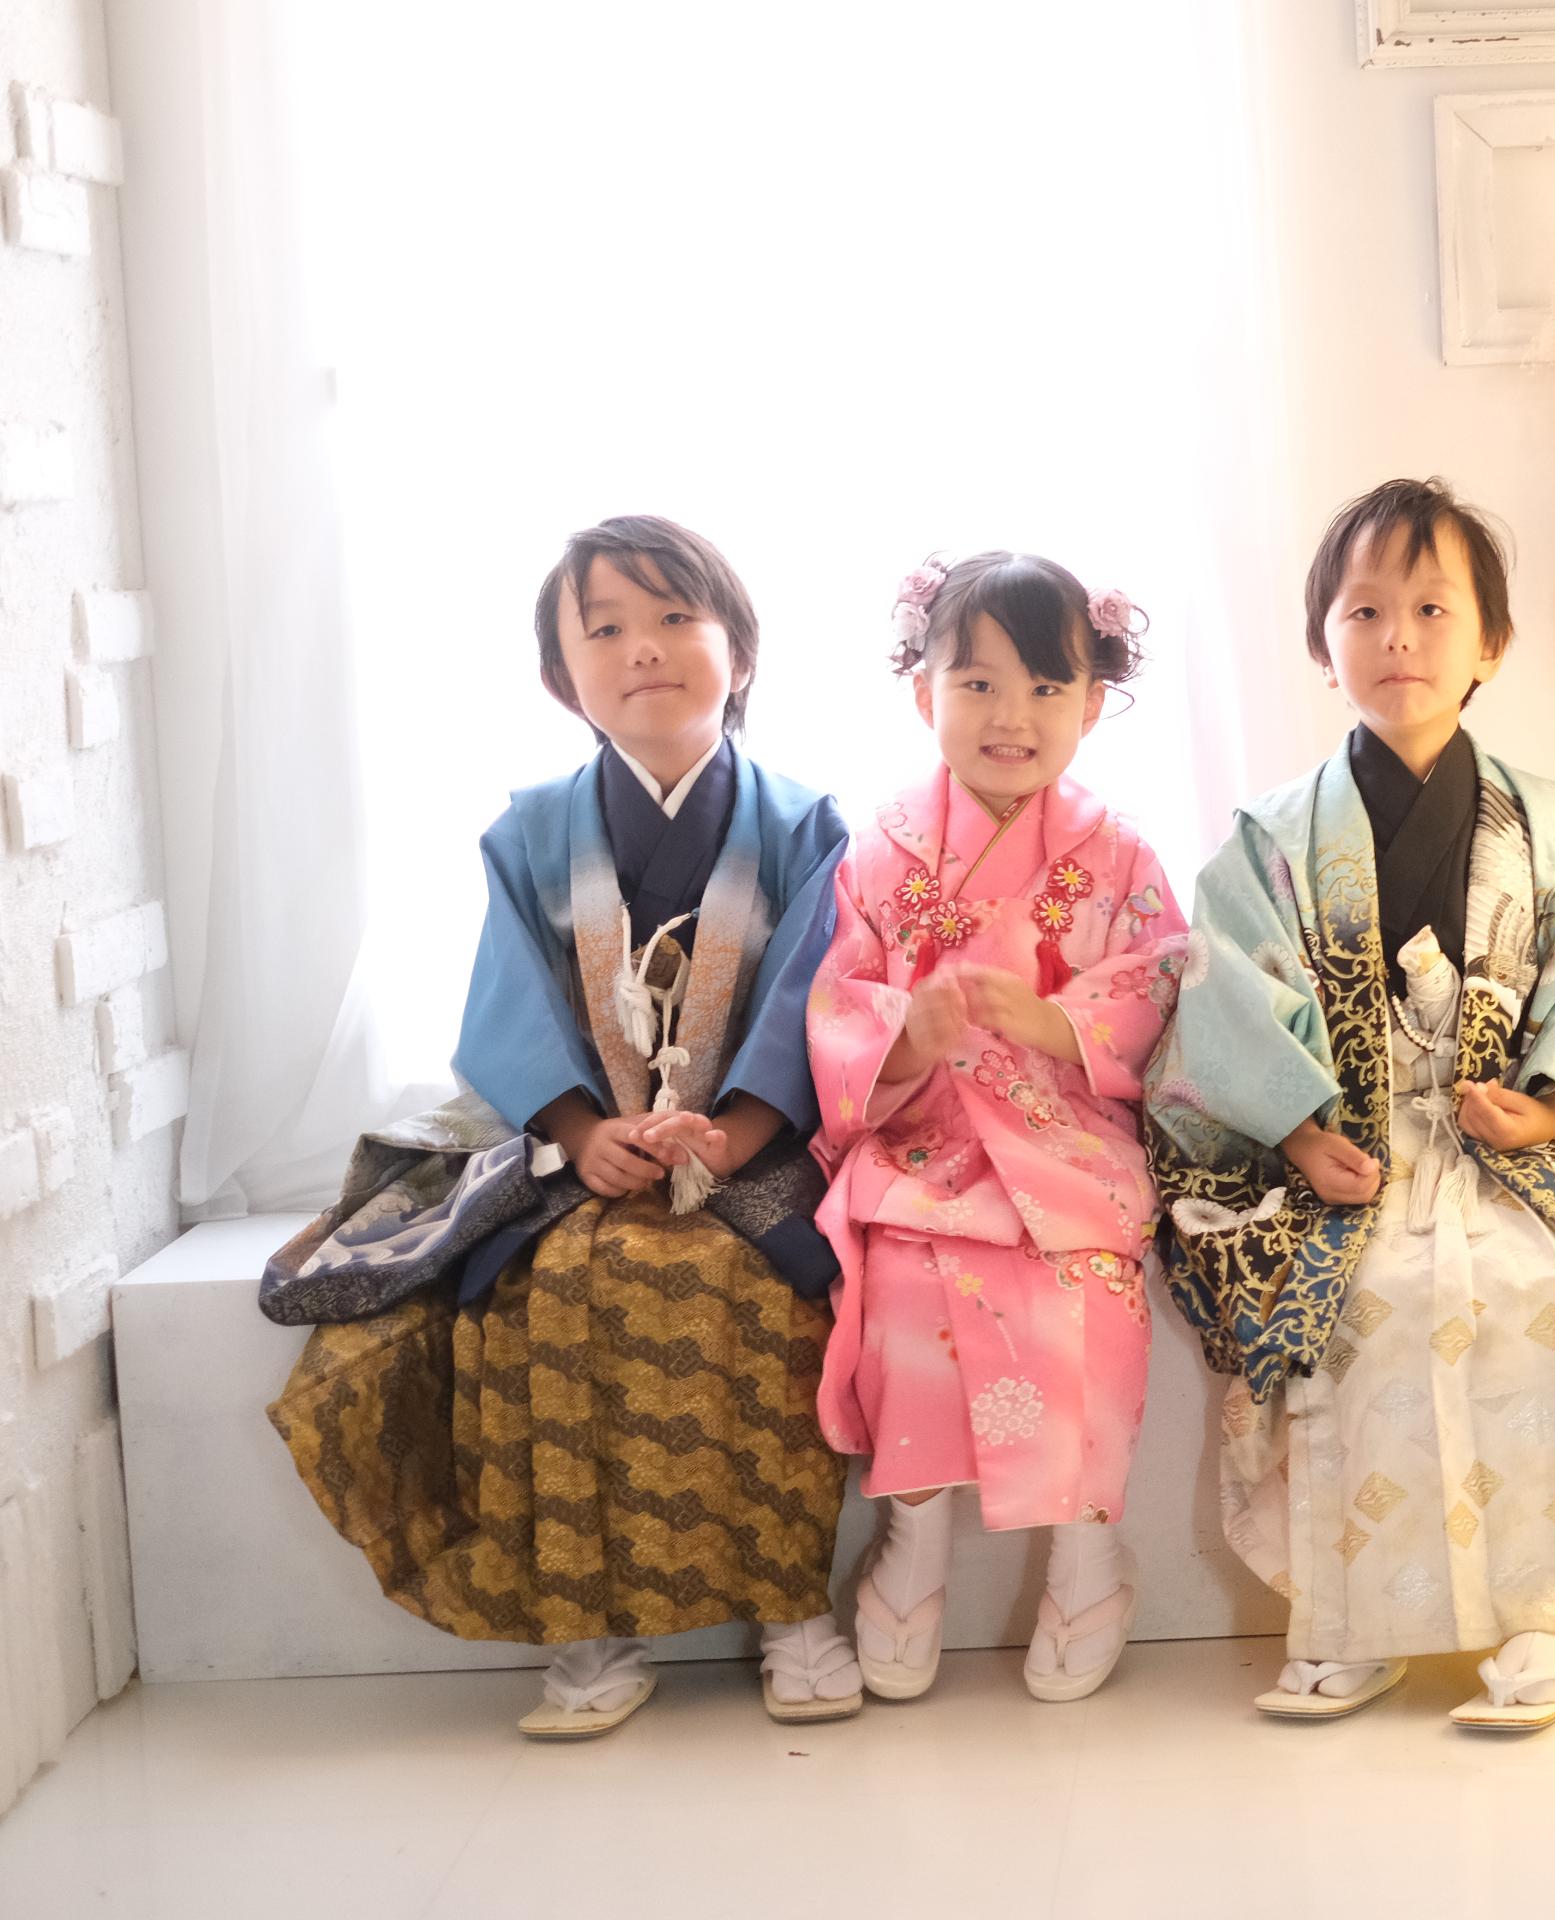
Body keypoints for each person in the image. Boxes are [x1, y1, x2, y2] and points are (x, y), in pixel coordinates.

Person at [1145, 478, 1555, 1731]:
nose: (1398, 638)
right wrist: (1301, 1132)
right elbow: (1226, 996)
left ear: (1491, 644)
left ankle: (1537, 1624)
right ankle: (1346, 1626)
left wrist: (1550, 1104)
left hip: (1501, 1145)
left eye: (1432, 608)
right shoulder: (1270, 837)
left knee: (1536, 1285)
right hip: (1343, 1156)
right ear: (1325, 646)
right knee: (1365, 1299)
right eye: (1365, 611)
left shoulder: (1552, 821)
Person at [265, 515, 863, 1737]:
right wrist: (586, 1132)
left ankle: (791, 1608)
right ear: (562, 677)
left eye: (676, 619)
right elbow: (509, 1002)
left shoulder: (808, 827)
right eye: (605, 629)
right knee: (542, 1297)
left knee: (774, 1296)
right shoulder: (528, 832)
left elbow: (819, 989)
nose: (644, 649)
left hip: (751, 1138)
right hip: (578, 1138)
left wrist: (737, 1131)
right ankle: (589, 1627)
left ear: (741, 654)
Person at [807, 551, 1187, 1704]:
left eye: (1044, 687)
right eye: (976, 684)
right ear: (924, 692)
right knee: (902, 1286)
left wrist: (1059, 1023)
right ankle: (912, 1538)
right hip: (927, 1138)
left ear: (1092, 703)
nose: (1010, 716)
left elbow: (1163, 985)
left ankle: (1088, 1558)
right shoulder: (878, 851)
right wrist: (904, 1038)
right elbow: (837, 999)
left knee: (1087, 1292)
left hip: (1065, 1138)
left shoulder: (1120, 854)